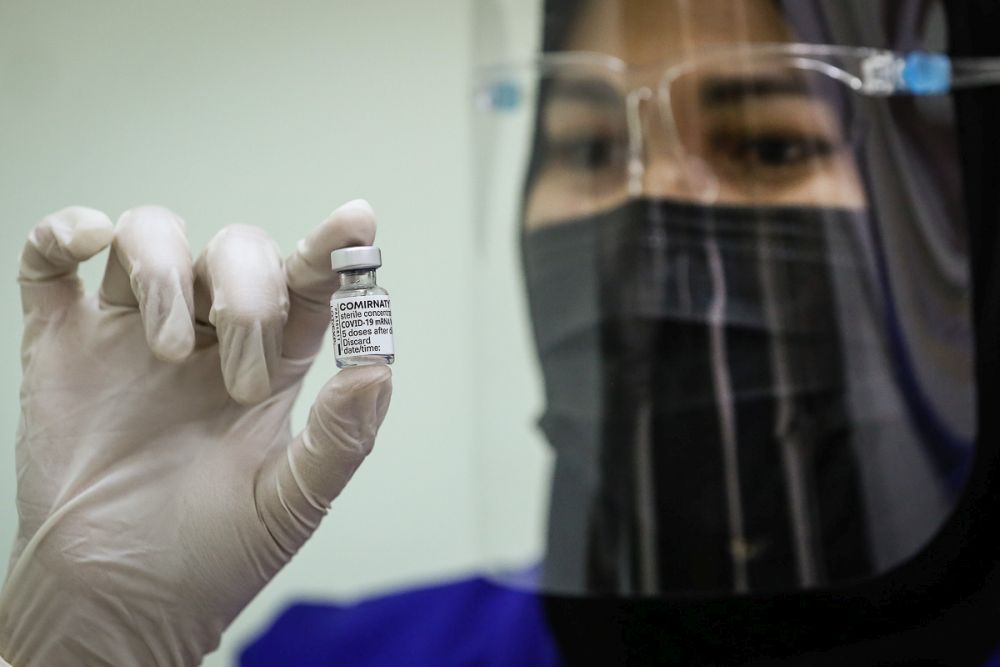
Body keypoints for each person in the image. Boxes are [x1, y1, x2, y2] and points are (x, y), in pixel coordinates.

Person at [4, 0, 1000, 665]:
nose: (645, 213)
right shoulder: (352, 659)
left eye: (768, 143)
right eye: (588, 145)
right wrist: (87, 646)